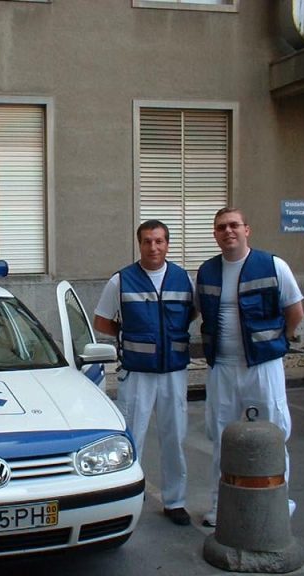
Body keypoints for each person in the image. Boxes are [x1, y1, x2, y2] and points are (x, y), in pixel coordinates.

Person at [195, 208, 304, 527]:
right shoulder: (207, 271)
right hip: (222, 367)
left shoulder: (273, 265)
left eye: (234, 225)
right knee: (221, 437)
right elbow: (201, 312)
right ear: (215, 234)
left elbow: (295, 312)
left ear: (247, 230)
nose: (228, 231)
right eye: (221, 227)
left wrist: (278, 343)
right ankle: (220, 506)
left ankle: (279, 503)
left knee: (273, 434)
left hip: (263, 366)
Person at [93, 220, 196, 526]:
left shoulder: (183, 279)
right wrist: (129, 337)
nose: (154, 247)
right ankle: (129, 497)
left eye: (159, 241)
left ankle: (175, 501)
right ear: (139, 244)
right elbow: (101, 321)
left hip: (173, 371)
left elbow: (191, 313)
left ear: (168, 244)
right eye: (147, 241)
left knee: (174, 438)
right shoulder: (121, 280)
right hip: (137, 373)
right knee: (133, 437)